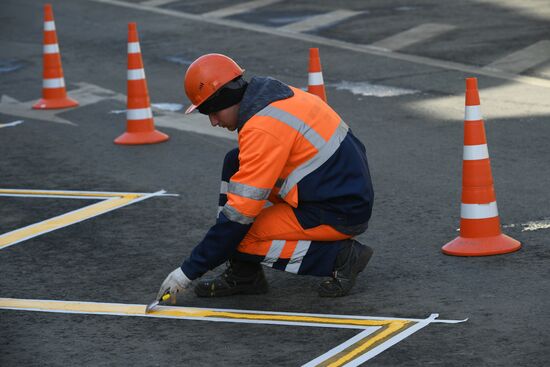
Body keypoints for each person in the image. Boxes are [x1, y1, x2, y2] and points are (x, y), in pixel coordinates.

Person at [154, 53, 374, 303]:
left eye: (211, 111)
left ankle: (340, 257)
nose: (213, 122)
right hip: (336, 190)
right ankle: (244, 274)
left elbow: (239, 216)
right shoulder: (269, 95)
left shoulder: (262, 127)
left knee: (240, 235)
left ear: (226, 97)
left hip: (338, 210)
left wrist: (186, 273)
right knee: (234, 162)